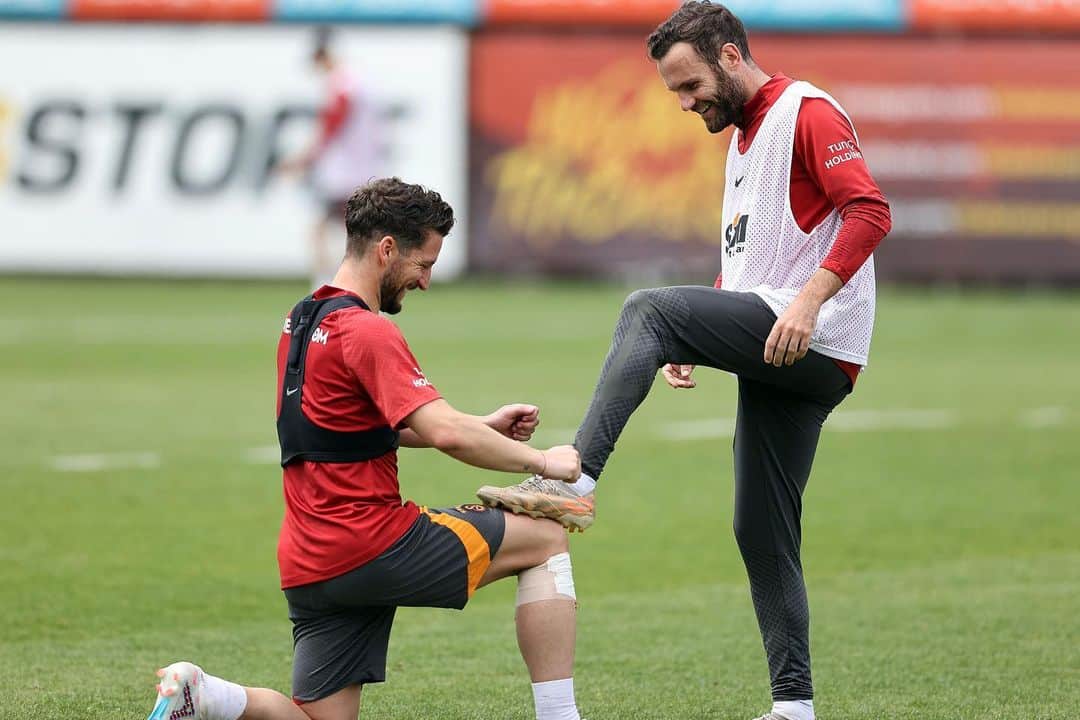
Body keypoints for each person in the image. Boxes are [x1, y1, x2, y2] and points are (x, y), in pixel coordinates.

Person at [477, 3, 892, 719]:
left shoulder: (808, 111)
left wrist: (807, 303)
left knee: (650, 308)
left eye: (689, 85)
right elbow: (755, 257)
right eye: (674, 90)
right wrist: (701, 334)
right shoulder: (741, 139)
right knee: (761, 529)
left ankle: (575, 480)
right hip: (783, 342)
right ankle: (794, 708)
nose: (683, 102)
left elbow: (870, 212)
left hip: (815, 336)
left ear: (730, 56)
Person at [146, 178, 585, 720]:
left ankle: (208, 694)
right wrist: (545, 462)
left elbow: (348, 426)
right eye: (423, 264)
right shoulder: (367, 331)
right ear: (387, 249)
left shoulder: (301, 321)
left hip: (310, 561)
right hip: (372, 543)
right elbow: (445, 432)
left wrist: (481, 424)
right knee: (544, 540)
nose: (425, 282)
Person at [278, 28, 391, 288]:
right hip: (364, 170)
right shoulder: (359, 80)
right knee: (356, 233)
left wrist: (302, 160)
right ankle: (357, 284)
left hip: (346, 174)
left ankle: (327, 286)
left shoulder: (341, 84)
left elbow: (331, 127)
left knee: (324, 230)